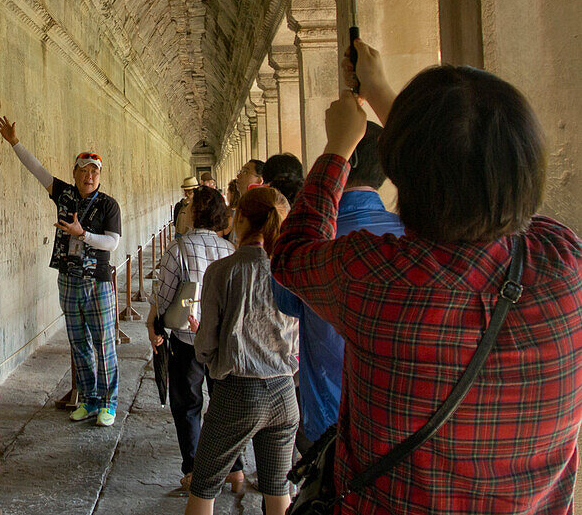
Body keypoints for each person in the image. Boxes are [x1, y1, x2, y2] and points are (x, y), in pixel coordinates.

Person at [271, 41, 582, 513]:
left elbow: (292, 253)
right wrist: (382, 95)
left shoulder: (375, 278)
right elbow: (491, 185)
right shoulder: (565, 266)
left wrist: (338, 147)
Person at [270, 122, 404, 444]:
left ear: (344, 162)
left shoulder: (314, 241)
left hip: (331, 418)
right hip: (401, 420)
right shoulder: (410, 235)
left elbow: (287, 301)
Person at [0, 115, 123, 426]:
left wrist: (82, 235)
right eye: (84, 170)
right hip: (68, 278)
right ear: (75, 173)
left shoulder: (108, 206)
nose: (89, 175)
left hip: (97, 281)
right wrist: (15, 143)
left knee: (103, 342)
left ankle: (108, 403)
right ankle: (89, 399)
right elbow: (38, 171)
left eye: (94, 171)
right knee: (78, 342)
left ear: (99, 176)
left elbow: (113, 243)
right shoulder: (64, 194)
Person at [186, 186, 300, 515]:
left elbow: (206, 343)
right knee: (278, 491)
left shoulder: (223, 271)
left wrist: (209, 358)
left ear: (240, 219)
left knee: (203, 487)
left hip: (239, 392)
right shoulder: (289, 270)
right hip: (284, 393)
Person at [146, 186, 239, 494]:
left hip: (187, 340)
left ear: (194, 213)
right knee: (224, 404)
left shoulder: (178, 249)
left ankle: (195, 468)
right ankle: (235, 468)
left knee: (187, 404)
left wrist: (156, 326)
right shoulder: (230, 250)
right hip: (223, 341)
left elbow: (164, 296)